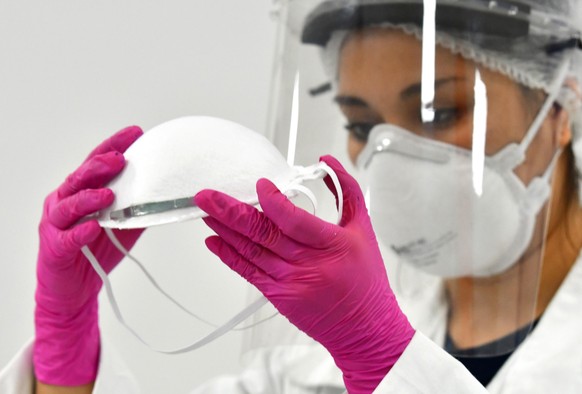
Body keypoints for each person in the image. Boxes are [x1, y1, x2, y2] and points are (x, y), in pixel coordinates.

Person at [2, 0, 582, 393]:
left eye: (440, 112)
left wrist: (383, 357)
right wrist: (64, 353)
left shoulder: (361, 337)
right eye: (360, 125)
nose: (391, 158)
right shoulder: (310, 366)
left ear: (561, 106)